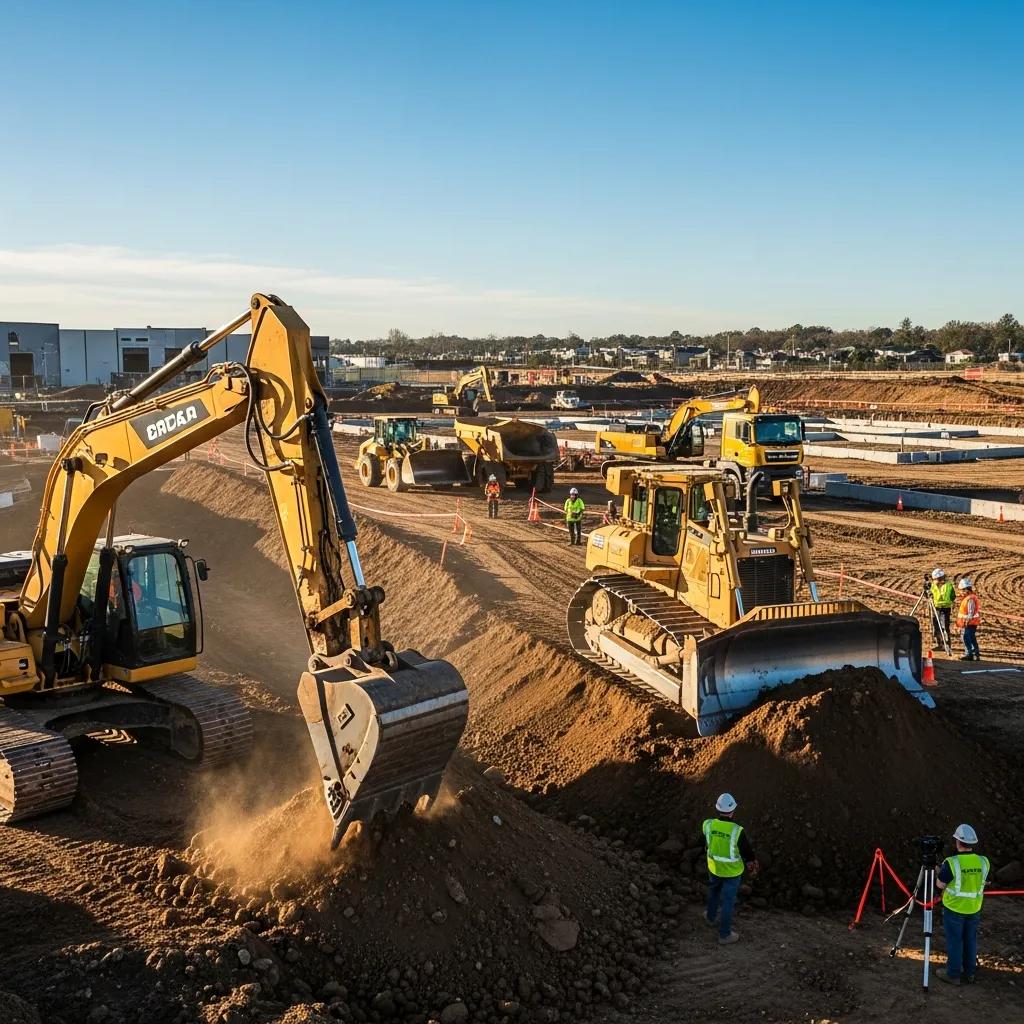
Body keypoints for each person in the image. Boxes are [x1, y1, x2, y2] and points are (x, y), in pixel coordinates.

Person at [936, 823, 990, 985]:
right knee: (970, 939)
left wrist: (939, 872)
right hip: (974, 908)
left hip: (955, 908)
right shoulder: (983, 861)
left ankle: (953, 974)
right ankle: (970, 972)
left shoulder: (952, 863)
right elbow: (983, 881)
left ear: (958, 842)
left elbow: (940, 885)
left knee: (955, 941)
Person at [702, 793, 758, 945]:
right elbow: (747, 852)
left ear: (717, 809)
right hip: (732, 873)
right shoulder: (737, 831)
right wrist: (752, 862)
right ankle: (725, 934)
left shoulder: (708, 824)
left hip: (714, 868)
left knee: (713, 891)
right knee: (728, 901)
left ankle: (710, 917)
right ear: (733, 810)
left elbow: (708, 838)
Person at [955, 578, 981, 661]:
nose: (961, 592)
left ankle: (969, 654)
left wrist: (966, 622)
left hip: (969, 623)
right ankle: (975, 654)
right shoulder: (969, 598)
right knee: (971, 638)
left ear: (966, 589)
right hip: (970, 622)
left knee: (966, 637)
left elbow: (971, 612)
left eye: (962, 590)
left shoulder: (970, 599)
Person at [929, 568, 955, 648]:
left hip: (945, 609)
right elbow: (930, 593)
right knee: (936, 626)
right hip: (936, 608)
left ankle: (947, 644)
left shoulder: (948, 585)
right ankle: (939, 644)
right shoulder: (932, 585)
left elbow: (953, 596)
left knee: (944, 627)